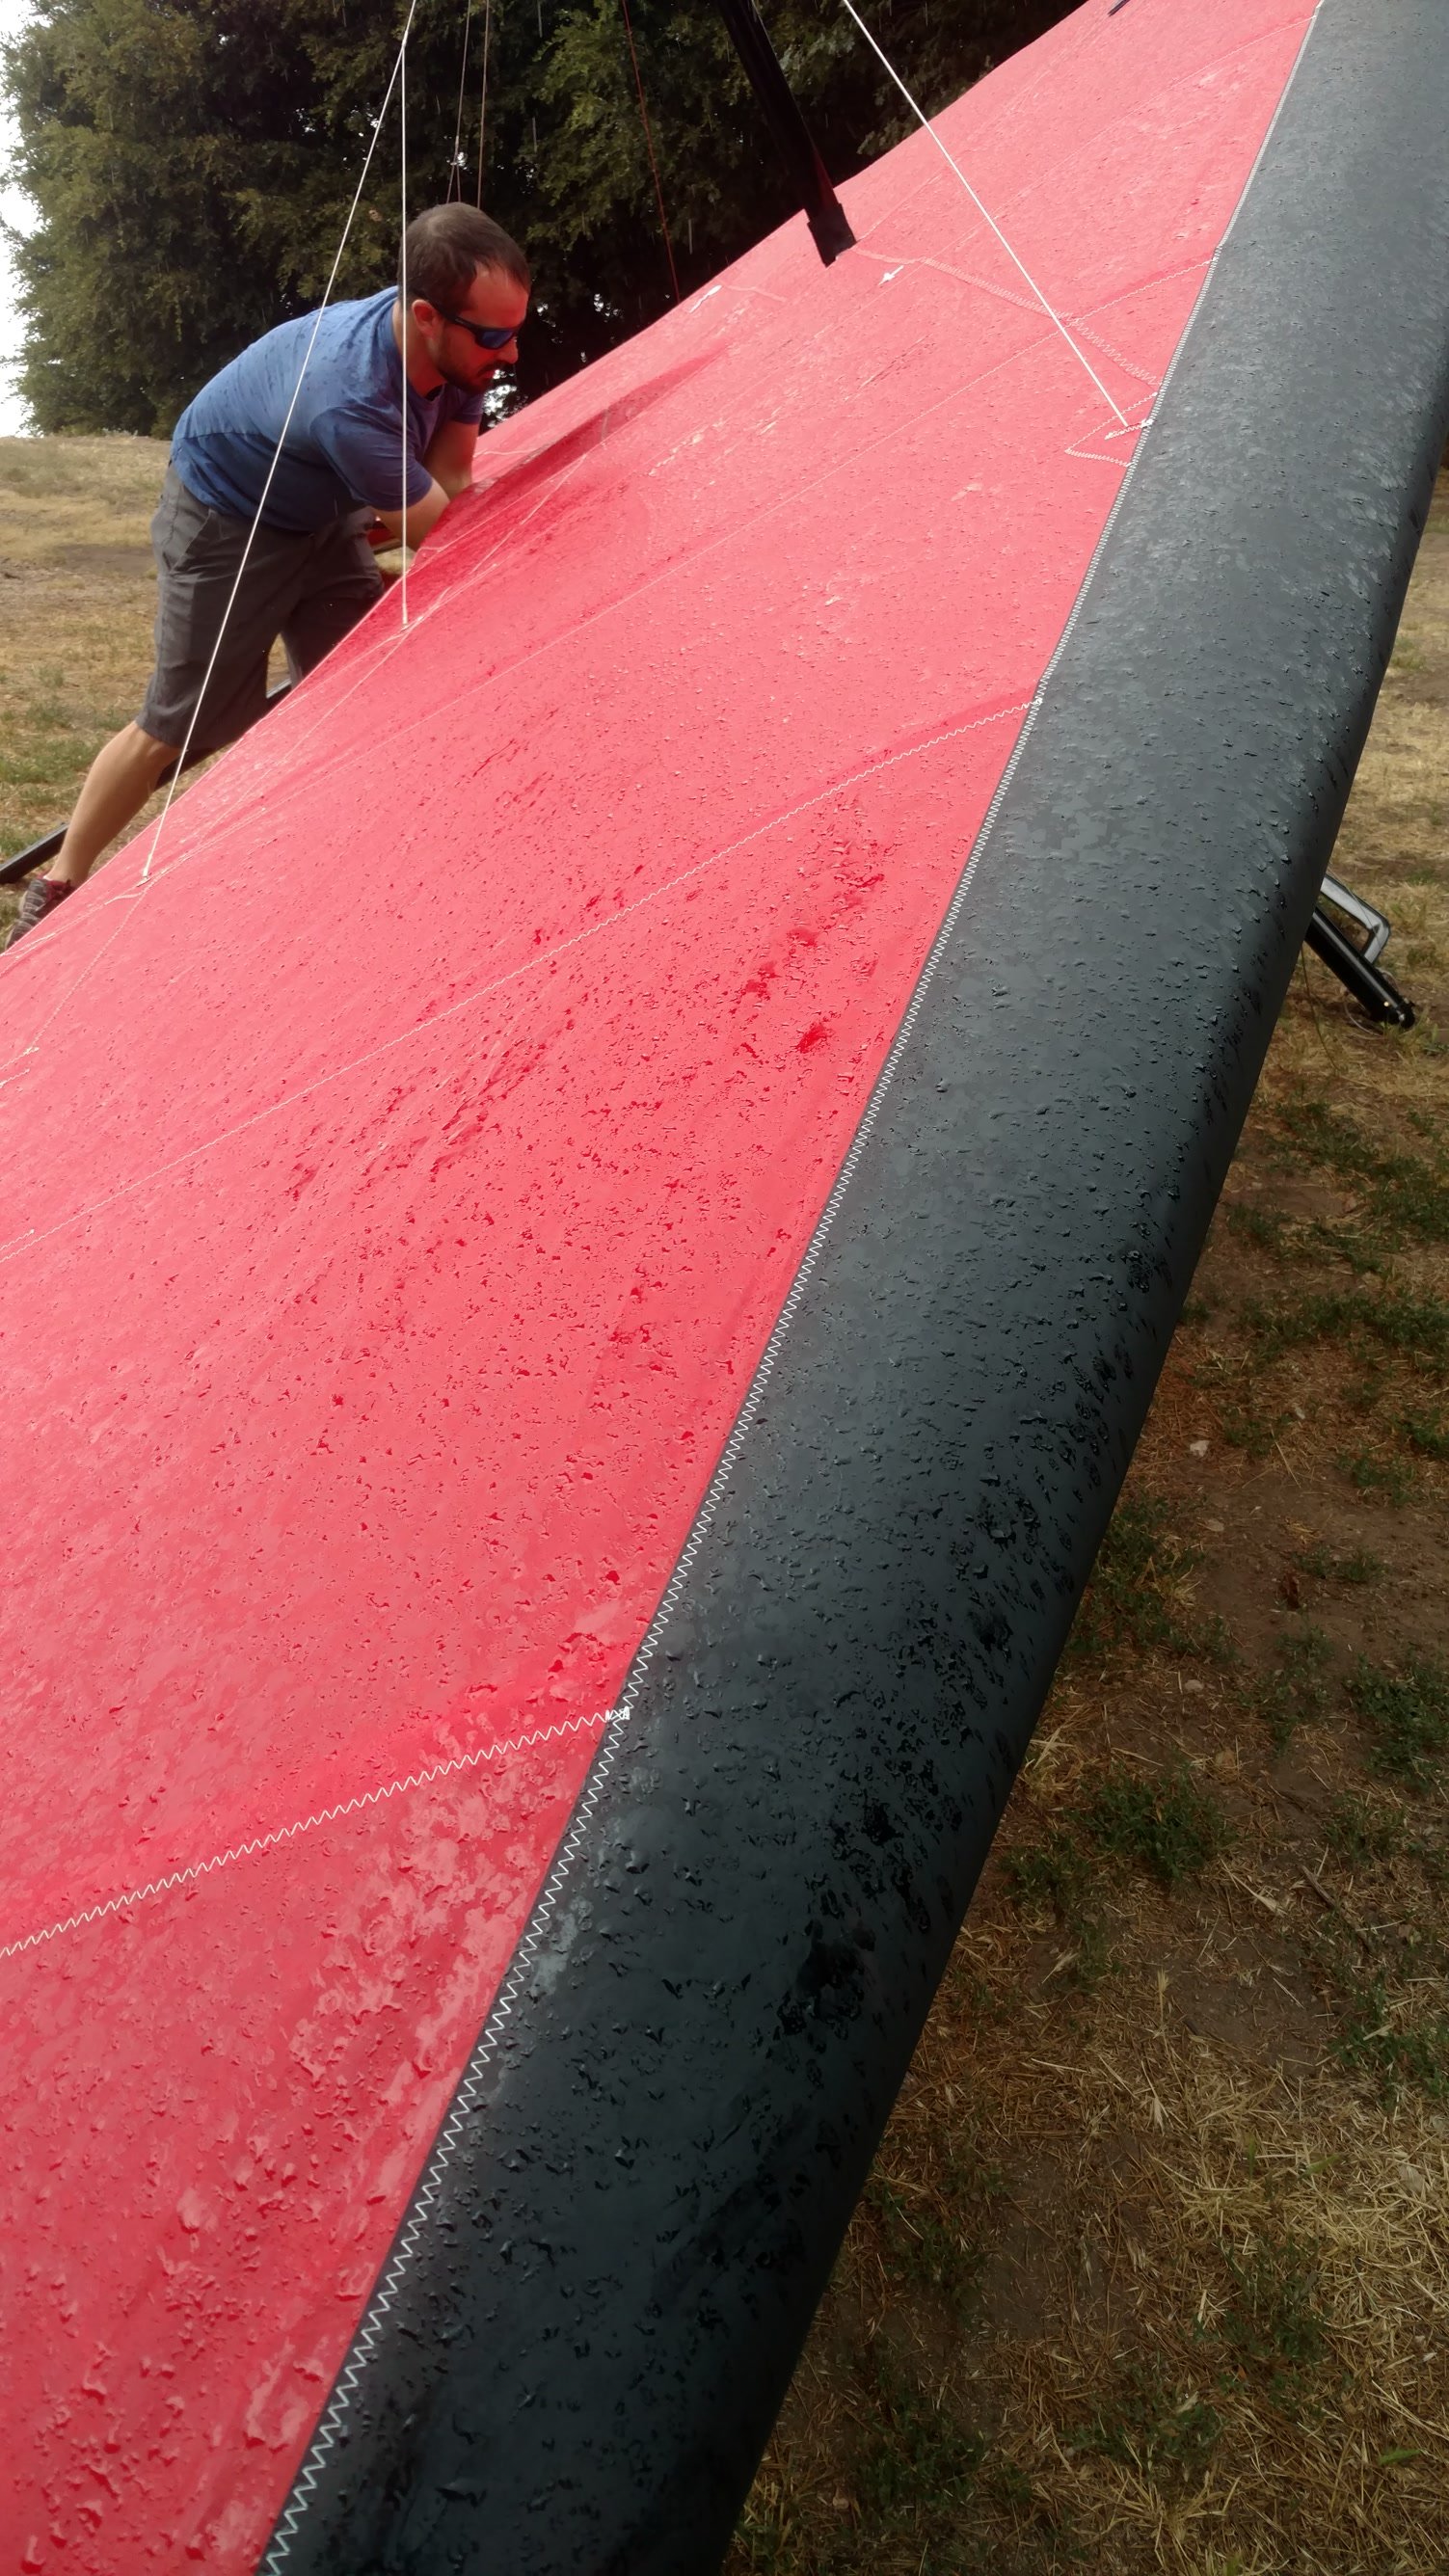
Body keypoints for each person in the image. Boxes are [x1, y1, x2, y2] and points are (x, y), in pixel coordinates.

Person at [5, 202, 530, 949]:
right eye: (495, 338)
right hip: (225, 515)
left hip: (319, 505)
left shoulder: (460, 346)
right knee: (182, 722)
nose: (510, 355)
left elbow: (450, 480)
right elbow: (441, 532)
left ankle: (367, 853)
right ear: (425, 316)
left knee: (364, 674)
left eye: (515, 330)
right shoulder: (352, 396)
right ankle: (58, 884)